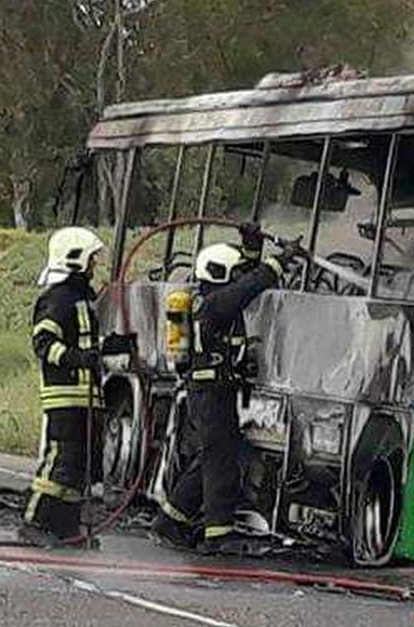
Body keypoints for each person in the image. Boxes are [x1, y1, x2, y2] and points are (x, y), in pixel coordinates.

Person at [152, 227, 302, 554]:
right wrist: (279, 262)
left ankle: (170, 519)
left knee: (212, 457)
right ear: (219, 274)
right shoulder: (214, 304)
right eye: (231, 273)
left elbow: (244, 277)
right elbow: (248, 286)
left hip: (210, 391)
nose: (236, 278)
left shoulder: (210, 300)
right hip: (211, 394)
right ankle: (217, 536)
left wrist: (252, 246)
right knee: (221, 463)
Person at [22, 227, 129, 546]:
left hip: (87, 396)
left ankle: (66, 528)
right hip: (65, 396)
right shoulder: (56, 299)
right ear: (75, 259)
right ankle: (35, 524)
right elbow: (44, 343)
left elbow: (86, 341)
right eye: (91, 260)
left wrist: (111, 347)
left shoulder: (83, 298)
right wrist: (77, 358)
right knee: (61, 461)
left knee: (81, 464)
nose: (95, 266)